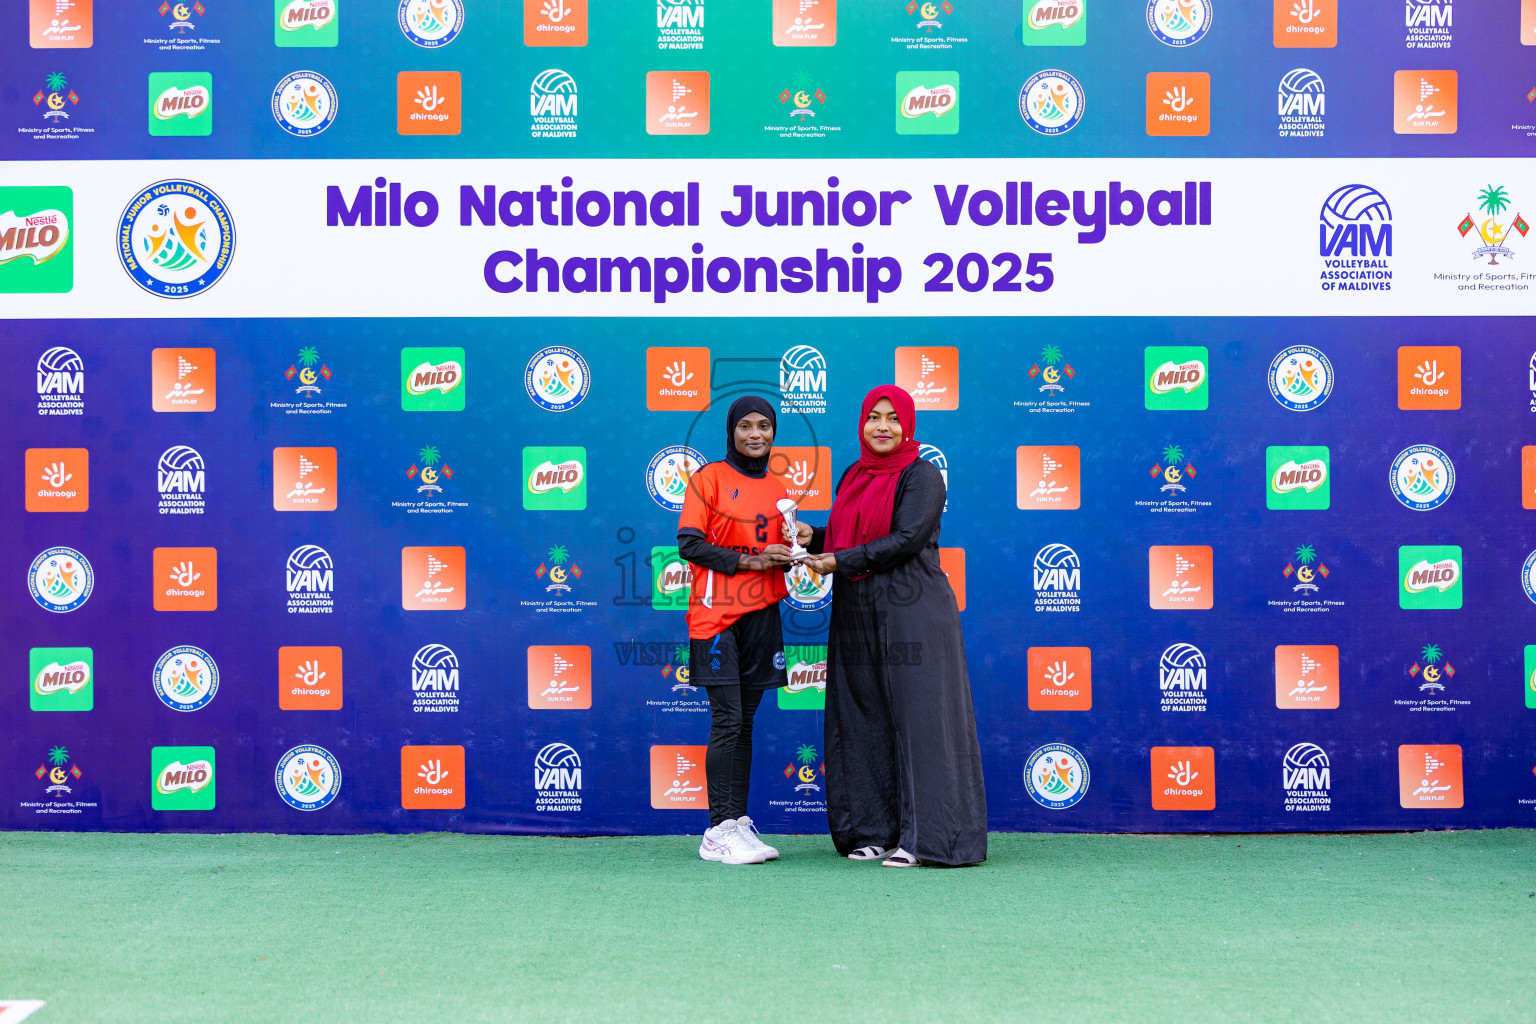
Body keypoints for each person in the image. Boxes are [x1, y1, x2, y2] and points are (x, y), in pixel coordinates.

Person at [797, 385, 987, 867]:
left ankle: (931, 839)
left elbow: (904, 538)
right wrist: (814, 536)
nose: (882, 427)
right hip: (856, 609)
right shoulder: (853, 474)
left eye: (892, 418)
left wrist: (838, 560)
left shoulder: (922, 476)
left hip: (913, 609)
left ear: (907, 425)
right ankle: (873, 830)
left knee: (920, 719)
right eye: (873, 418)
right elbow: (852, 532)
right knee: (862, 716)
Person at [676, 395, 797, 866]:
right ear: (731, 432)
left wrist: (794, 550)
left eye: (763, 426)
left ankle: (736, 822)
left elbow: (782, 545)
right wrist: (750, 560)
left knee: (745, 721)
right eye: (745, 425)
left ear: (773, 433)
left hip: (762, 612)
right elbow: (690, 543)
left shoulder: (779, 485)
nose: (755, 434)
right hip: (716, 616)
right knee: (727, 720)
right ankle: (717, 830)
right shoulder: (708, 479)